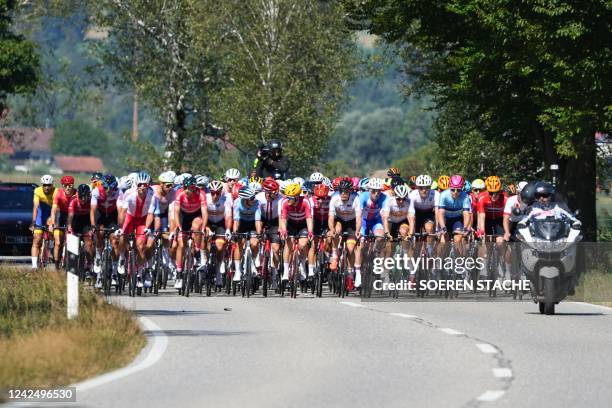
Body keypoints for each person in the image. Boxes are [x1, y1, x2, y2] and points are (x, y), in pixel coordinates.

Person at [30, 175, 56, 269]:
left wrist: (53, 221)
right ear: (42, 185)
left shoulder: (56, 191)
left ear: (52, 185)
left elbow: (56, 208)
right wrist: (33, 222)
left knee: (54, 233)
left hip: (51, 214)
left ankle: (52, 247)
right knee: (36, 239)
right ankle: (34, 266)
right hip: (40, 215)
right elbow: (36, 207)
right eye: (45, 185)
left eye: (49, 185)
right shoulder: (37, 191)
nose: (47, 187)